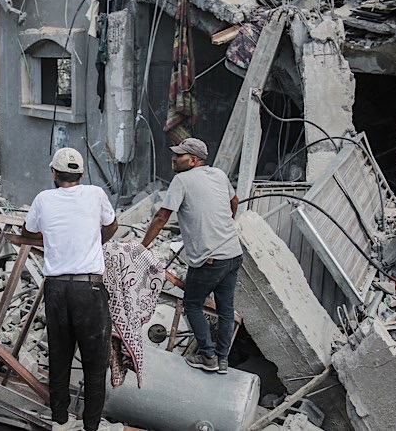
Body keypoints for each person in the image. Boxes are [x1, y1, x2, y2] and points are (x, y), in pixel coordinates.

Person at [22, 148, 119, 431]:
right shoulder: (95, 194)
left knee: (60, 356)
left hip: (56, 289)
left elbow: (28, 231)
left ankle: (60, 423)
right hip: (88, 288)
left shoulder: (43, 199)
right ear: (82, 174)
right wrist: (92, 241)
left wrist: (55, 235)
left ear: (53, 173)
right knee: (95, 361)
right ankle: (91, 426)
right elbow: (112, 226)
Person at [141, 137, 241, 374]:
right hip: (233, 253)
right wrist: (224, 225)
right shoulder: (218, 174)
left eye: (179, 156)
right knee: (225, 309)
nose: (174, 159)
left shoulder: (181, 180)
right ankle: (222, 360)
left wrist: (142, 247)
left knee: (192, 304)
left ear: (194, 160)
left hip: (209, 260)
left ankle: (208, 355)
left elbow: (161, 217)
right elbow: (233, 202)